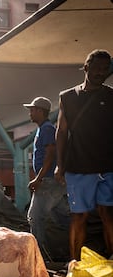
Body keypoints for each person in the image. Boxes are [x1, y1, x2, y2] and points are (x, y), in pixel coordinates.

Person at [55, 49, 113, 260]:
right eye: (97, 68)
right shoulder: (67, 97)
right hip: (78, 166)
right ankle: (74, 266)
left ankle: (111, 264)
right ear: (86, 67)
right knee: (79, 217)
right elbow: (61, 131)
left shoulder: (111, 95)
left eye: (105, 69)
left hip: (109, 167)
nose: (101, 73)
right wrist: (60, 165)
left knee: (109, 216)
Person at [23, 97, 70, 261]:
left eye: (32, 109)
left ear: (40, 111)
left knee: (35, 217)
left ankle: (40, 257)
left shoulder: (47, 129)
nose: (30, 113)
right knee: (64, 218)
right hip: (53, 183)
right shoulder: (43, 129)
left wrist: (38, 179)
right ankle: (83, 245)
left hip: (48, 182)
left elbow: (50, 154)